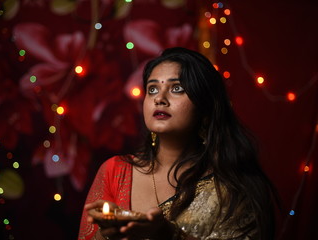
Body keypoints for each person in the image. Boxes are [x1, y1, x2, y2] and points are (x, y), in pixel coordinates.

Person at [78, 47, 276, 240]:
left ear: (205, 108)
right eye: (152, 89)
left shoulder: (232, 189)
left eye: (177, 88)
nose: (160, 99)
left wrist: (168, 235)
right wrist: (109, 233)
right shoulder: (116, 172)